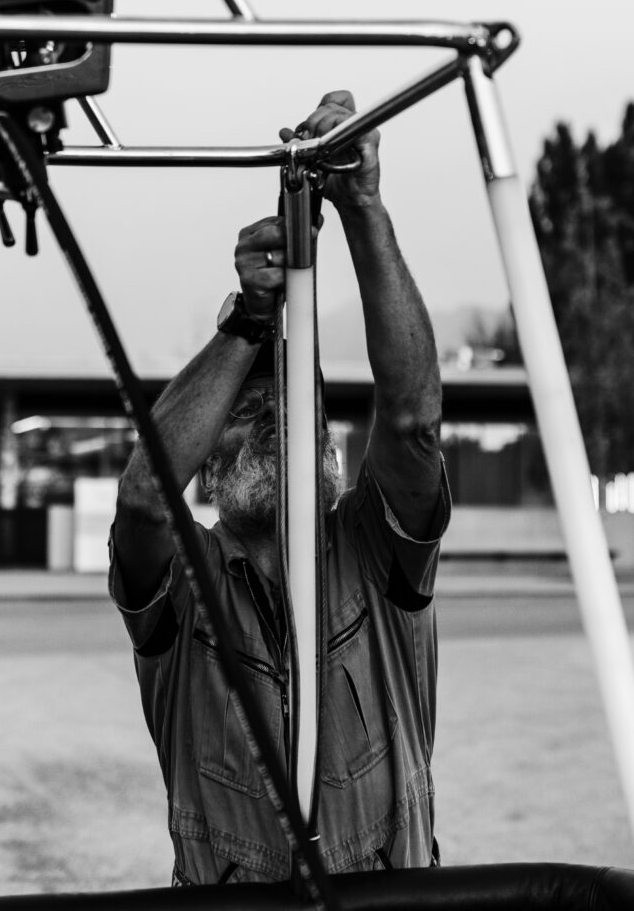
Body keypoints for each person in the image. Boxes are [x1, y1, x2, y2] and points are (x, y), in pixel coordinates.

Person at [109, 90, 451, 886]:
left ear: (331, 445)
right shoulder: (182, 591)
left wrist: (361, 204)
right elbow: (142, 498)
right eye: (249, 407)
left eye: (298, 408)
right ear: (208, 464)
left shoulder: (377, 553)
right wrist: (250, 322)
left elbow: (411, 424)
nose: (276, 416)